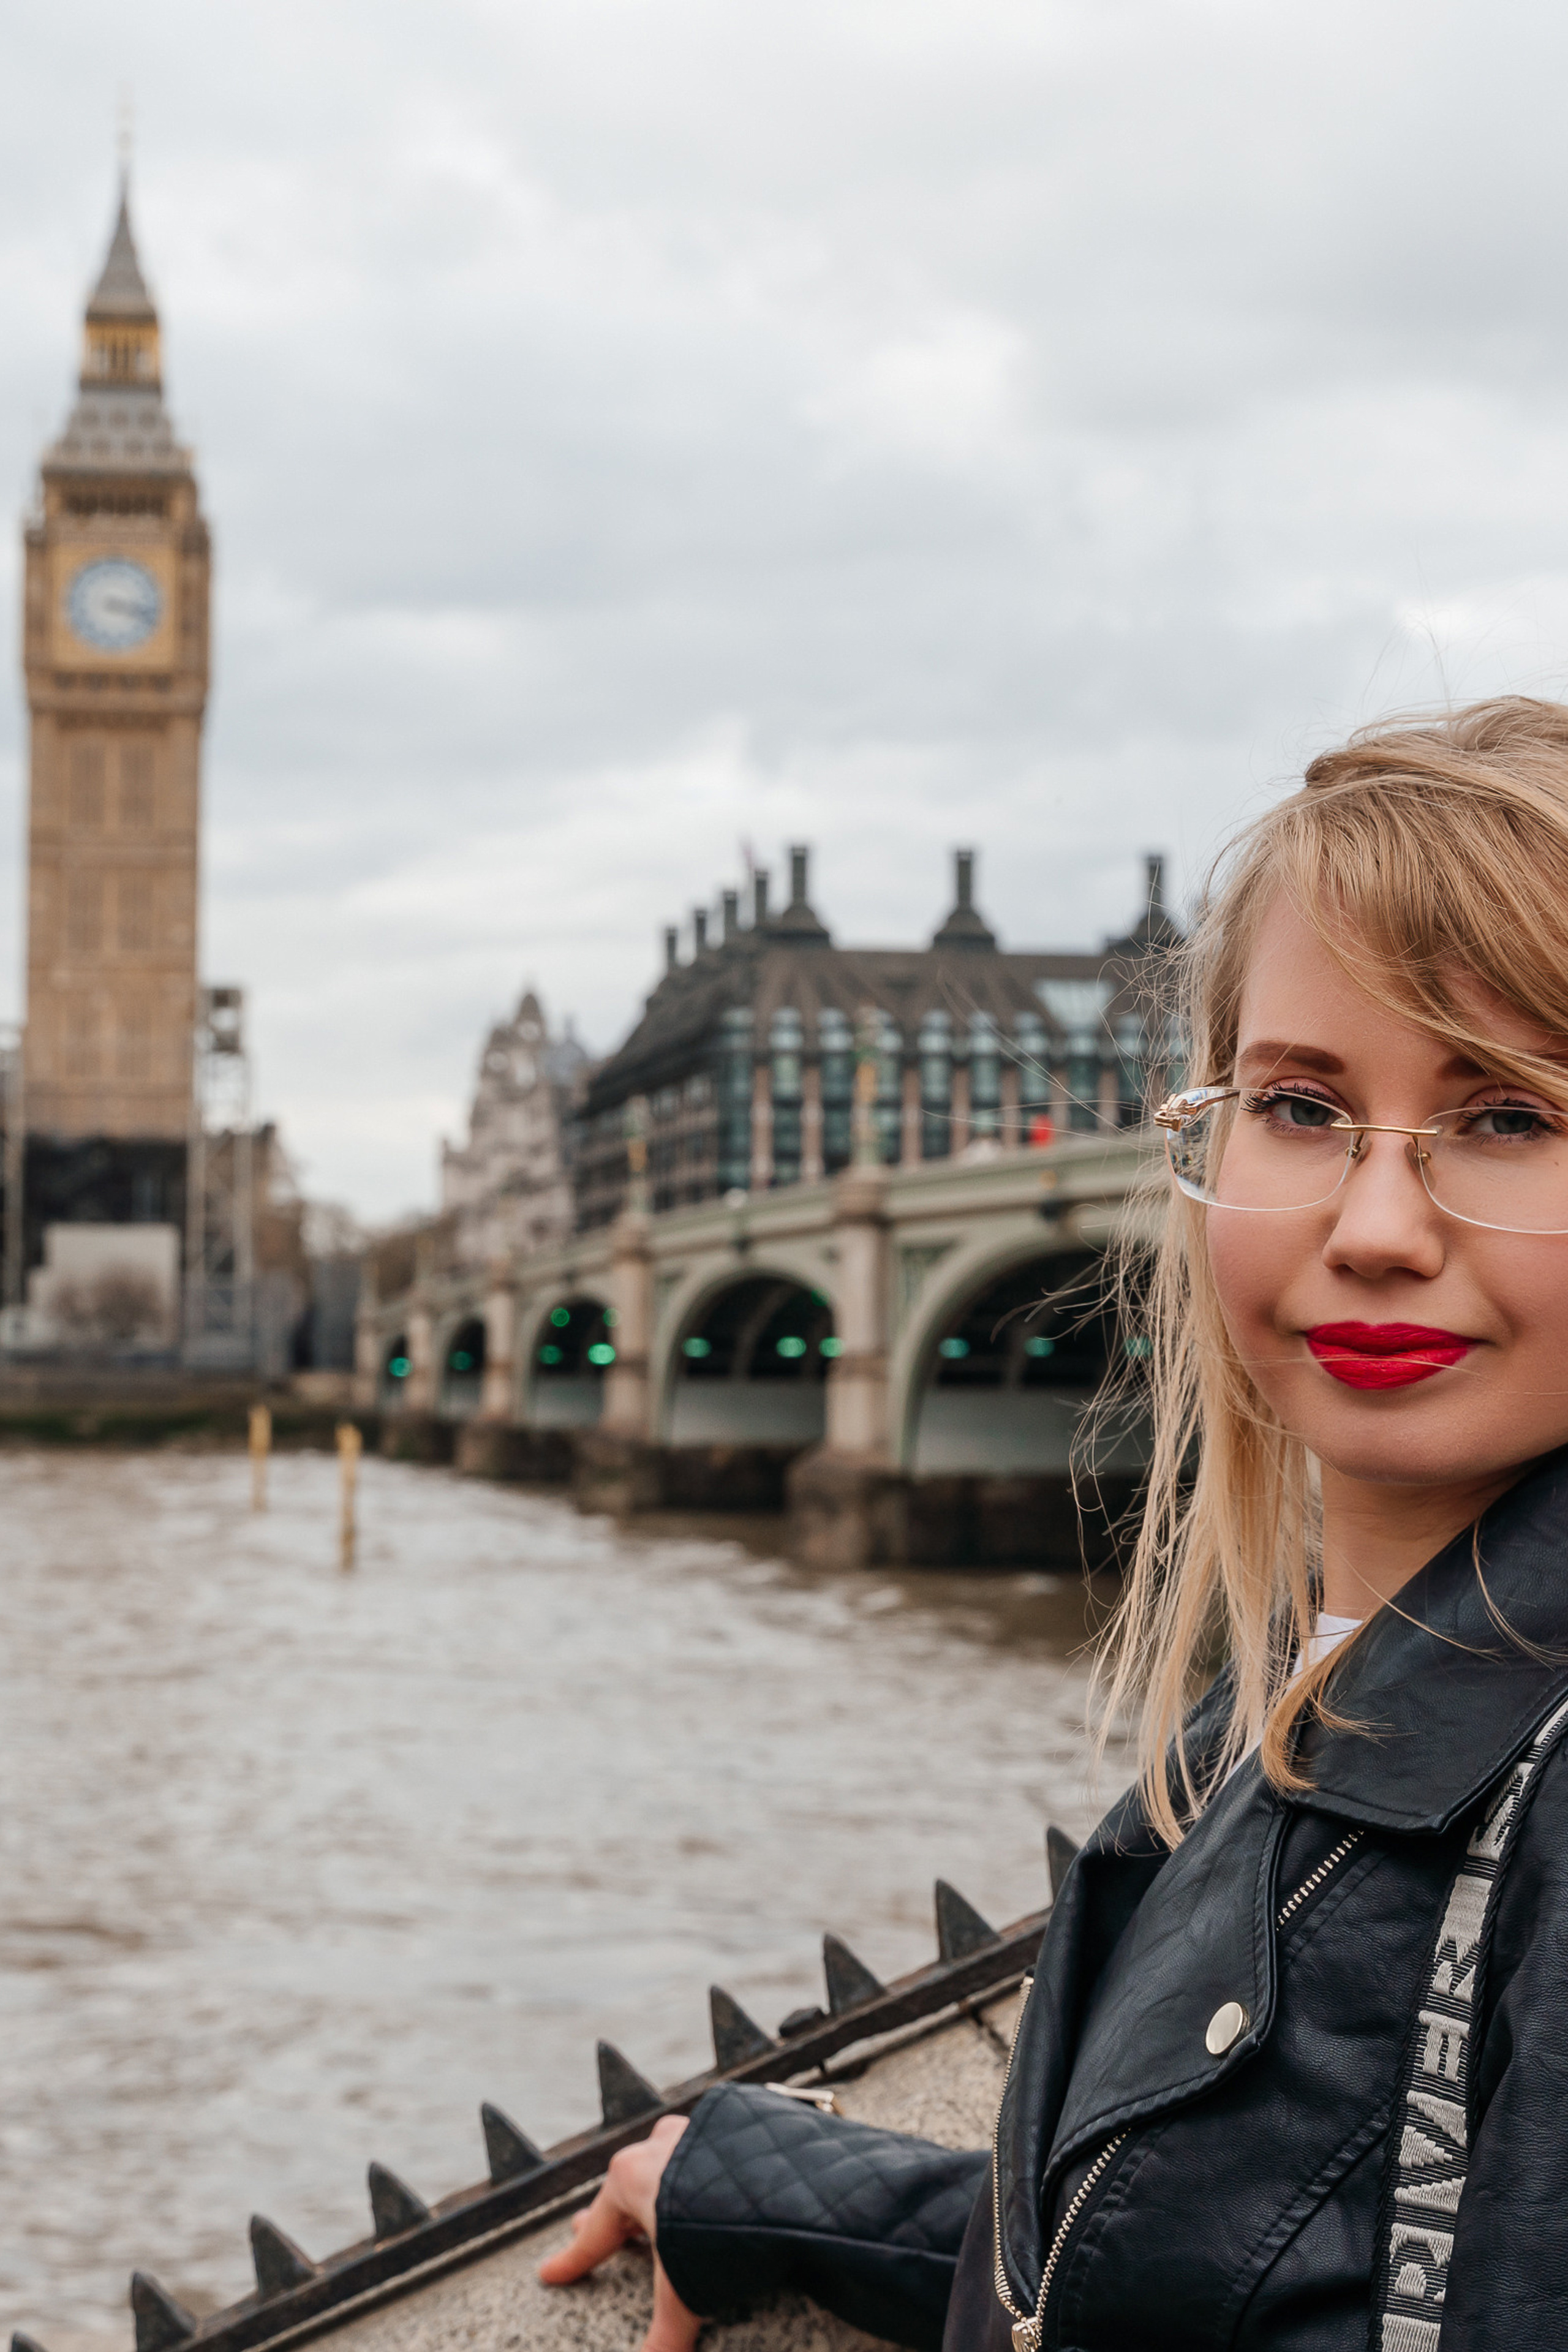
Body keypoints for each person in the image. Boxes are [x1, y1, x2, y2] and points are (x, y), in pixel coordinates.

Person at [541, 696, 1568, 2350]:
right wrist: (783, 2194)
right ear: (1212, 1138)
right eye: (1302, 1106)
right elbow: (1226, 2255)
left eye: (1508, 1115)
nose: (1376, 1224)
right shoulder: (1300, 1690)